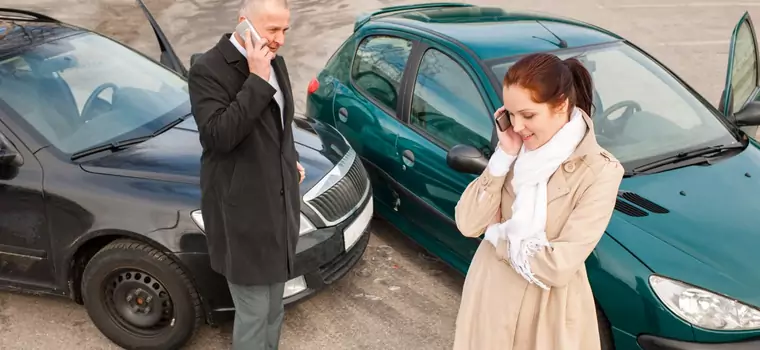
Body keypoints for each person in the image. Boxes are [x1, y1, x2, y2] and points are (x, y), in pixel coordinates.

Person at [452, 52, 624, 350]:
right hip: (490, 300)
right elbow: (468, 223)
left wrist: (497, 235)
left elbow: (558, 265)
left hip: (548, 315)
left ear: (561, 105)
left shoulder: (600, 171)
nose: (517, 127)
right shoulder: (515, 149)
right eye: (511, 115)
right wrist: (502, 156)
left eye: (528, 115)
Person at [187, 0, 303, 349]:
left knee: (274, 310)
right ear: (243, 23)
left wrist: (289, 158)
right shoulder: (207, 69)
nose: (280, 39)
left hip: (278, 209)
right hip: (243, 217)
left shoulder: (274, 60)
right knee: (254, 315)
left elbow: (281, 126)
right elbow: (218, 136)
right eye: (272, 29)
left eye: (285, 30)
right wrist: (255, 79)